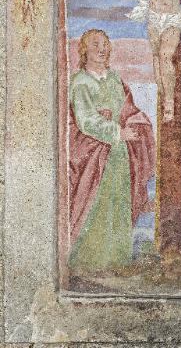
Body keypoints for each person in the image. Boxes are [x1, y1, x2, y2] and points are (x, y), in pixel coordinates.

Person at [68, 29, 155, 276]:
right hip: (95, 154)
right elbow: (85, 120)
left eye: (106, 44)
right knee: (97, 203)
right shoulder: (80, 81)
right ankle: (90, 263)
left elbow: (126, 109)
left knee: (120, 202)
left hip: (119, 153)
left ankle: (117, 261)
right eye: (96, 45)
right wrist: (118, 131)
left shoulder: (114, 78)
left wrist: (134, 122)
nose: (102, 49)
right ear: (84, 50)